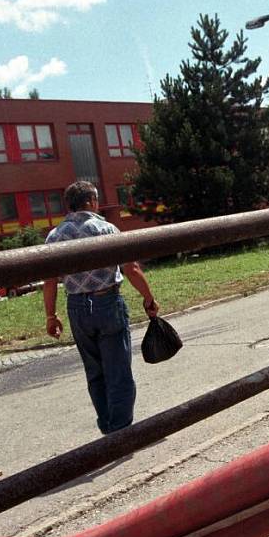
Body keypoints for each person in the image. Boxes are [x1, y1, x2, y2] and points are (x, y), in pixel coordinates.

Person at [43, 181, 159, 434]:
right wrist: (148, 297)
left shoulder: (54, 236)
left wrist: (51, 316)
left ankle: (107, 426)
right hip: (107, 301)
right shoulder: (105, 228)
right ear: (91, 201)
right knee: (118, 370)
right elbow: (131, 268)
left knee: (95, 371)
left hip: (76, 307)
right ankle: (121, 430)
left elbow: (49, 282)